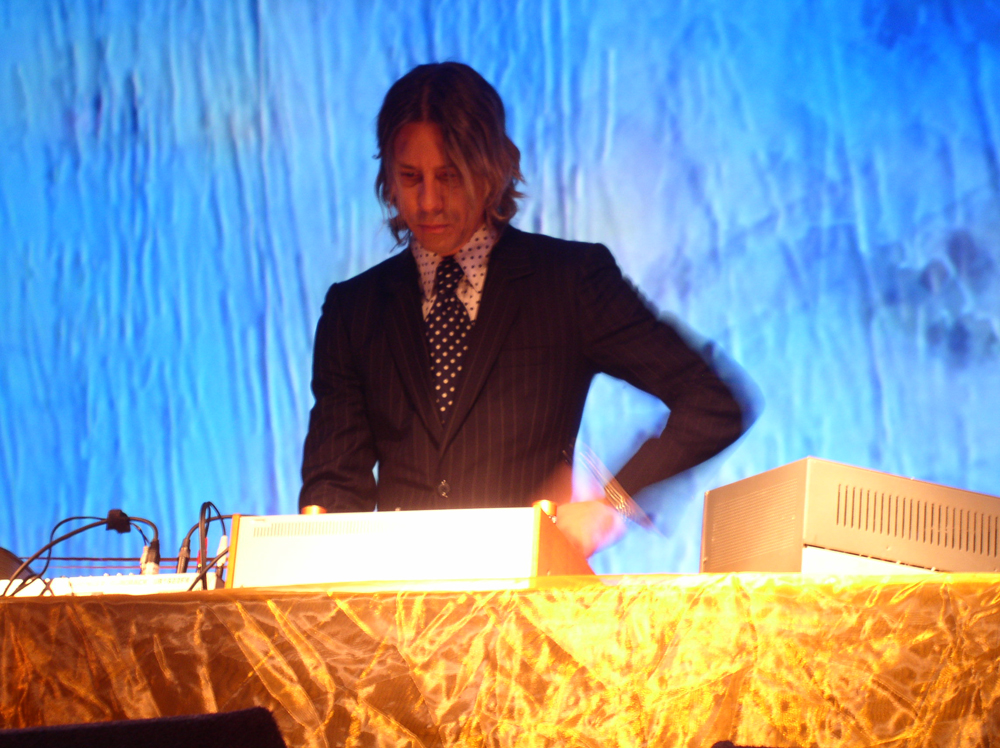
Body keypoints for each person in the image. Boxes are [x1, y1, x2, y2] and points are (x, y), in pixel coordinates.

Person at [299, 62, 754, 557]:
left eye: (448, 176)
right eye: (411, 177)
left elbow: (712, 402)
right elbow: (335, 487)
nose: (428, 202)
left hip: (527, 608)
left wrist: (611, 503)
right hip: (396, 614)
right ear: (387, 177)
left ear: (492, 170)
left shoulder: (569, 281)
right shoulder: (353, 310)